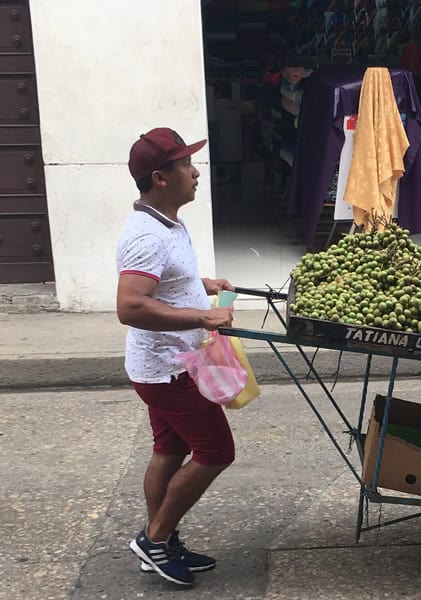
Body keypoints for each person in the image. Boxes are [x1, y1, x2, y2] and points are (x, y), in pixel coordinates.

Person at [116, 127, 236, 587]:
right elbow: (130, 305)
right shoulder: (148, 235)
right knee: (215, 450)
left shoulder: (167, 222)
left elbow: (162, 281)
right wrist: (200, 318)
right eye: (185, 164)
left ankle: (162, 543)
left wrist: (199, 285)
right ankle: (154, 538)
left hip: (162, 364)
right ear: (160, 177)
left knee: (170, 448)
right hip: (169, 369)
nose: (195, 171)